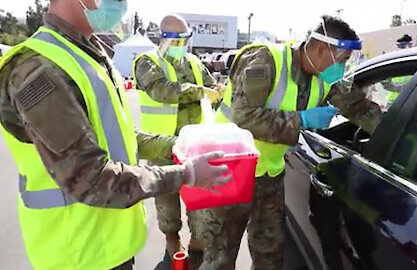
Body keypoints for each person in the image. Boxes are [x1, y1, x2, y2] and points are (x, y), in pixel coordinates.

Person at [0, 1, 231, 269]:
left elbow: (117, 135)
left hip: (108, 246)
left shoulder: (87, 55)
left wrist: (179, 145)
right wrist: (188, 174)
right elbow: (90, 178)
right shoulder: (40, 69)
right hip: (78, 254)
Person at [190, 15, 379, 270]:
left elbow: (359, 107)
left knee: (270, 255)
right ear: (322, 49)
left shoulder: (325, 77)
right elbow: (244, 117)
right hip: (230, 171)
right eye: (343, 60)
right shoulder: (265, 61)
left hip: (269, 173)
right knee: (220, 257)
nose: (343, 68)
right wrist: (302, 119)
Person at [132, 14, 223, 264]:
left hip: (194, 145)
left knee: (199, 195)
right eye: (176, 39)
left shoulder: (193, 62)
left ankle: (197, 239)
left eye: (185, 38)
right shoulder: (146, 62)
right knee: (167, 199)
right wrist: (200, 91)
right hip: (161, 145)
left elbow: (211, 85)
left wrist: (218, 91)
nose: (181, 44)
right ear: (162, 37)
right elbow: (161, 90)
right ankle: (172, 237)